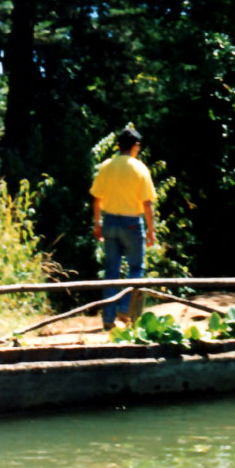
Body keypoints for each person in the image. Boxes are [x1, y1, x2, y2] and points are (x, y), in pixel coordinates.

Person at [90, 126, 156, 329]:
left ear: (119, 145)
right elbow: (147, 203)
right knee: (136, 268)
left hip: (110, 221)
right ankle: (125, 308)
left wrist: (97, 223)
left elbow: (97, 199)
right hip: (132, 223)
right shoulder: (140, 168)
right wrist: (151, 230)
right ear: (135, 146)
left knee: (111, 270)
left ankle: (108, 319)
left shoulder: (106, 166)